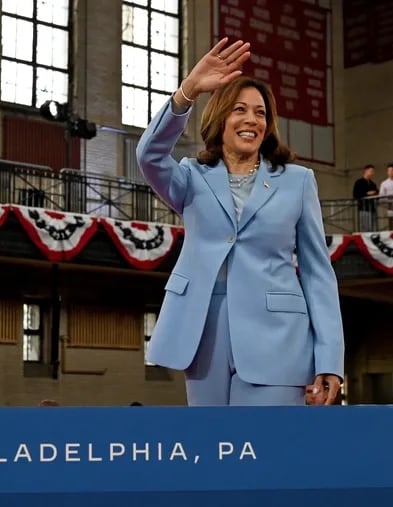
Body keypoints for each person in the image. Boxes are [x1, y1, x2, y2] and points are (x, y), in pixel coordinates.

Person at [136, 38, 344, 406]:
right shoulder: (190, 176)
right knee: (217, 452)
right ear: (220, 118)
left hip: (279, 339)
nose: (251, 120)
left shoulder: (298, 181)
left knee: (268, 452)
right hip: (203, 334)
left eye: (260, 113)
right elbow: (150, 154)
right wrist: (187, 92)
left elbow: (317, 273)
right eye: (239, 110)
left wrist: (330, 359)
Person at [352, 164, 378, 231]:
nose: (372, 173)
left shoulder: (373, 184)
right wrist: (367, 193)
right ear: (365, 171)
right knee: (366, 227)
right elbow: (356, 194)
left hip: (372, 208)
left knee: (372, 227)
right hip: (364, 208)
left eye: (373, 171)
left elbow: (376, 192)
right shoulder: (359, 182)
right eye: (371, 171)